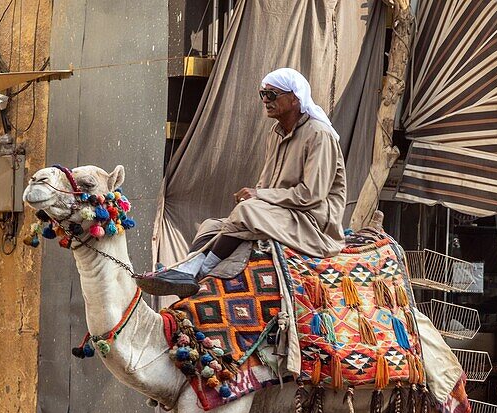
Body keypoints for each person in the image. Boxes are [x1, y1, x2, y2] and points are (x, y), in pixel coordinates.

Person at [138, 67, 346, 298]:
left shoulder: (319, 134)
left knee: (248, 210)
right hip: (280, 213)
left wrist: (258, 197)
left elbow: (311, 195)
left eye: (272, 95)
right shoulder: (275, 134)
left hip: (311, 221)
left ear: (295, 98)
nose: (265, 101)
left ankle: (202, 272)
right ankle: (188, 267)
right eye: (262, 94)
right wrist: (256, 196)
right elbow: (265, 184)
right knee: (211, 225)